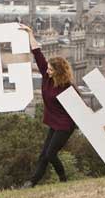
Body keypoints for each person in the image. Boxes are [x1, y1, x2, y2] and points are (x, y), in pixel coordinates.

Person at [20, 24, 77, 188]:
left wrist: (100, 125)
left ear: (58, 72)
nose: (48, 71)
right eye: (48, 69)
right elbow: (37, 53)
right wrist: (30, 33)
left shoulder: (67, 86)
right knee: (43, 155)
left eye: (51, 70)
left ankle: (63, 180)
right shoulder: (46, 77)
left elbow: (82, 108)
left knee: (51, 154)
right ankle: (31, 183)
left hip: (65, 124)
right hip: (54, 122)